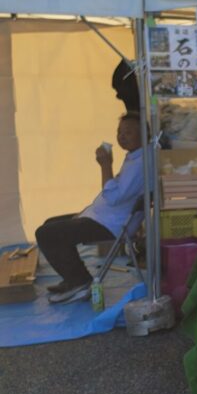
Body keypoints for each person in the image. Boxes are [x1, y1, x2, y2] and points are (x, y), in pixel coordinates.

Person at [36, 112, 144, 302]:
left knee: (46, 233)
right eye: (119, 132)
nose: (122, 136)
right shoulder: (134, 157)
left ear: (143, 134)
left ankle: (80, 282)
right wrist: (86, 214)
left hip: (113, 224)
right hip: (103, 217)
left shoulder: (140, 163)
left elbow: (112, 197)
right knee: (51, 224)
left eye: (128, 132)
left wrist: (105, 165)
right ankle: (72, 278)